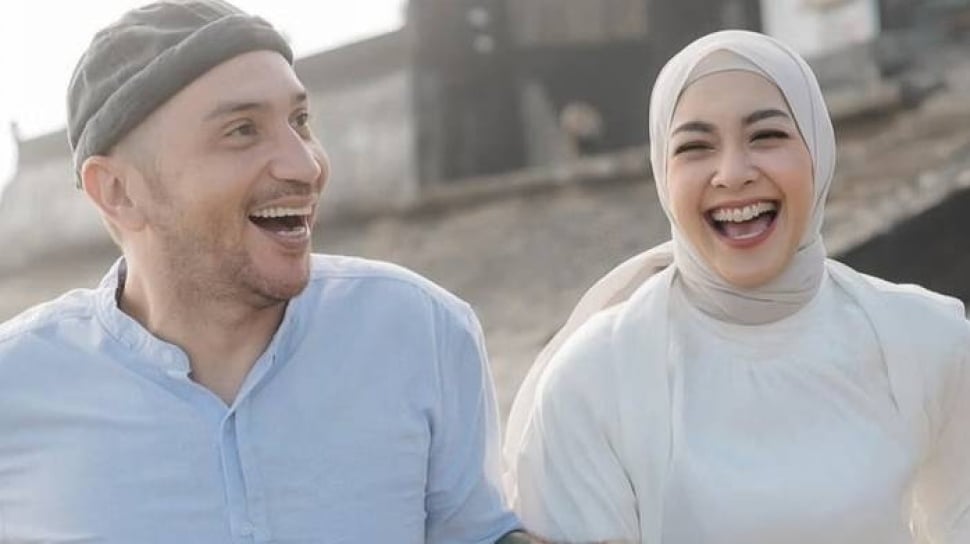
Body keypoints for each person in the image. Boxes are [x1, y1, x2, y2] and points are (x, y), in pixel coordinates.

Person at [0, 1, 535, 542]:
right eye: (242, 130)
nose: (306, 165)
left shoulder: (422, 332)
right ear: (117, 191)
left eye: (300, 121)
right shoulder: (15, 386)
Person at [504, 30, 970, 544]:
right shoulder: (593, 380)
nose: (732, 174)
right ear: (662, 173)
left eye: (766, 136)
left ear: (818, 151)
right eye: (695, 146)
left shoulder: (925, 340)